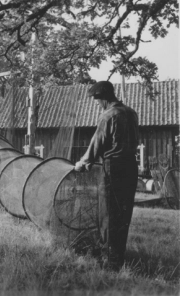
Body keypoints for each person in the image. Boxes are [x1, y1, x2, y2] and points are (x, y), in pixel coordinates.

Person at [74, 81, 139, 271]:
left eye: (96, 100)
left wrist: (83, 163)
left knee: (108, 214)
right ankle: (118, 256)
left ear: (103, 98)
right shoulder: (131, 112)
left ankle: (109, 262)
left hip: (114, 168)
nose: (95, 104)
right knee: (124, 213)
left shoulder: (108, 115)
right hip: (131, 167)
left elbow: (97, 143)